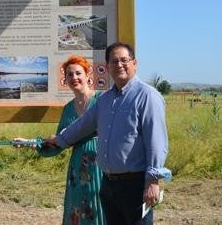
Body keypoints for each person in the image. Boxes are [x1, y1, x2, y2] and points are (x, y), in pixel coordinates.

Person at [47, 42, 169, 225]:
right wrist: (59, 140)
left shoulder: (147, 96)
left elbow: (156, 143)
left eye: (124, 60)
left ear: (134, 63)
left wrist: (152, 181)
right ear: (107, 67)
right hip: (108, 184)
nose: (119, 65)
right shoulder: (104, 100)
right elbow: (82, 125)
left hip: (135, 184)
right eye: (114, 61)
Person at [15, 55, 106, 225]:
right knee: (80, 210)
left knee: (103, 209)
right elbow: (57, 144)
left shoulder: (102, 99)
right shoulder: (68, 109)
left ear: (88, 75)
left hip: (103, 165)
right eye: (69, 74)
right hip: (78, 168)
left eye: (78, 73)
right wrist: (31, 143)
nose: (74, 78)